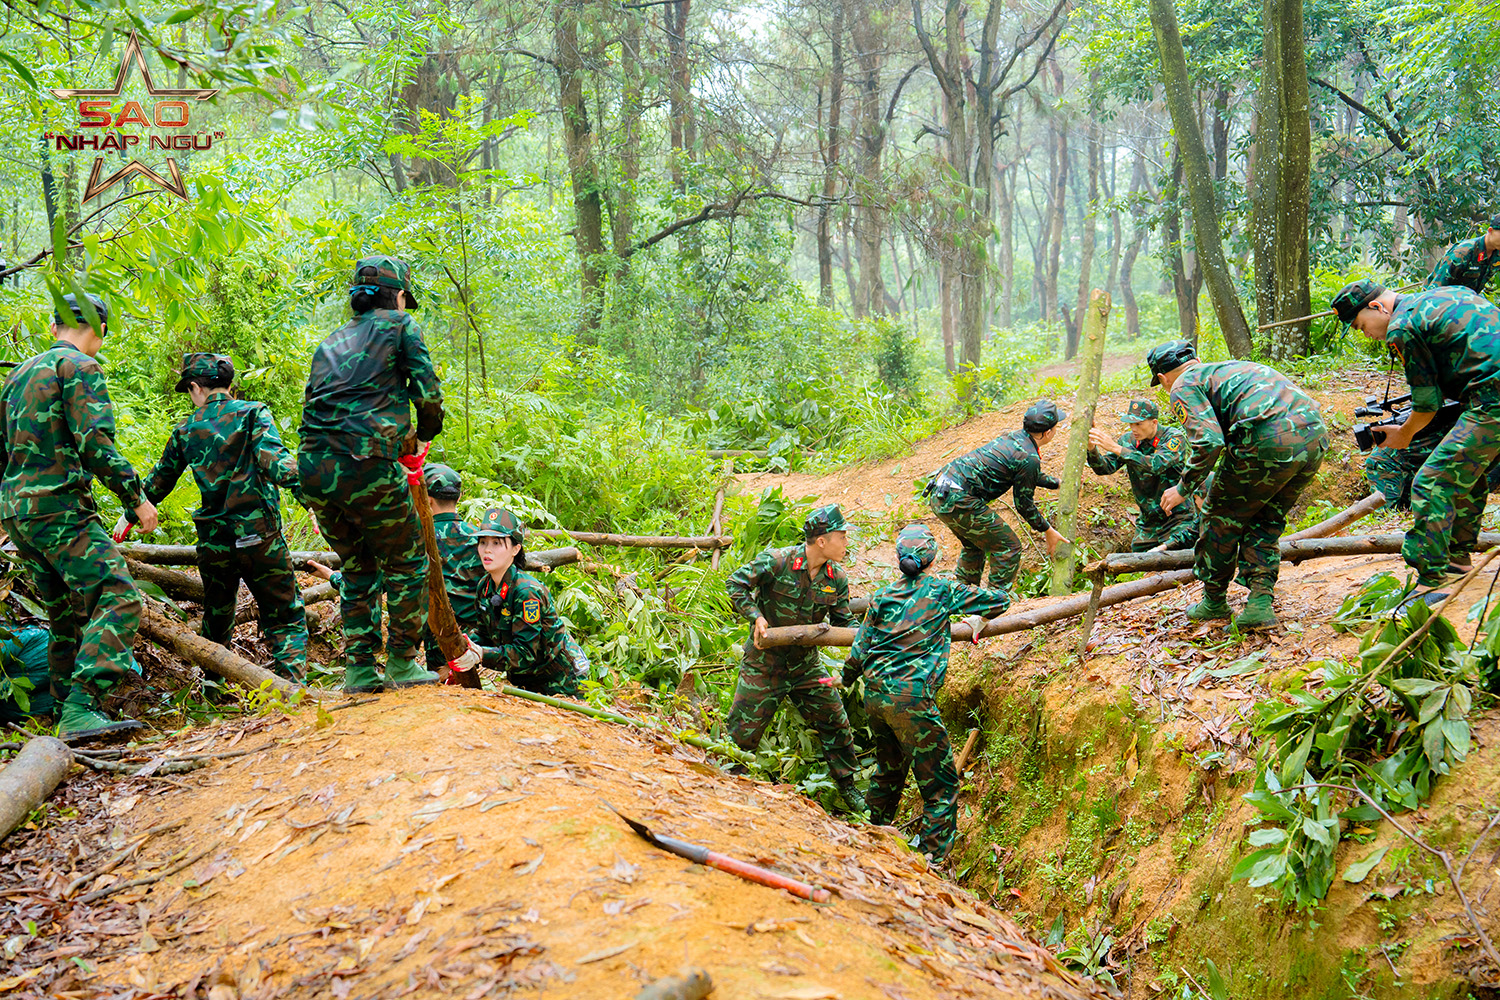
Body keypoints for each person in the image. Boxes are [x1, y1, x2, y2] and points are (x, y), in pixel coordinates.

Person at [0, 292, 157, 738]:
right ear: (101, 331)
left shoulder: (15, 378)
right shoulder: (80, 368)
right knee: (119, 596)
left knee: (64, 613)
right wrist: (136, 498)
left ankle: (63, 715)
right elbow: (95, 443)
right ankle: (81, 705)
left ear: (53, 328)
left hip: (18, 513)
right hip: (59, 508)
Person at [299, 256, 444, 693]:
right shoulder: (401, 326)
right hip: (364, 463)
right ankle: (402, 662)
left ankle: (359, 670)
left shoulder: (330, 339)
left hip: (313, 468)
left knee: (359, 564)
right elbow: (428, 392)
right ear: (397, 294)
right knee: (406, 560)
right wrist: (424, 437)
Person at [130, 353, 307, 678]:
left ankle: (214, 690)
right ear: (229, 384)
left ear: (196, 387)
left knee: (217, 619)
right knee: (284, 614)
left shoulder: (186, 429)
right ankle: (292, 691)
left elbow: (158, 481)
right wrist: (311, 498)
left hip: (215, 544)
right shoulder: (253, 414)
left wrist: (129, 515)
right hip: (260, 538)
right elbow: (275, 462)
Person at [841, 524, 1009, 860]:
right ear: (932, 558)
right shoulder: (941, 591)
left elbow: (857, 655)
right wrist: (976, 619)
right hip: (912, 699)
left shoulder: (883, 596)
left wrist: (843, 680)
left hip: (875, 696)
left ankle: (869, 838)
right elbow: (999, 600)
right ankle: (931, 859)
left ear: (899, 558)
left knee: (889, 770)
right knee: (941, 785)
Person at [1334, 279, 1500, 597]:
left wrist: (1404, 434)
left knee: (1432, 482)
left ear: (1377, 307)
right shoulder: (1444, 294)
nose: (1365, 333)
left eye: (1359, 325)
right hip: (1486, 396)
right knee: (1467, 474)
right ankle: (1456, 560)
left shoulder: (1402, 327)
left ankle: (1431, 581)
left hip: (1491, 399)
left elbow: (1426, 403)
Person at [1148, 340, 1328, 630]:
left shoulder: (1182, 384)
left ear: (1162, 378)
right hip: (1314, 437)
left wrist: (1183, 488)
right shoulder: (1232, 368)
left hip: (1267, 440)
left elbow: (1208, 441)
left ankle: (1214, 601)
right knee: (1266, 517)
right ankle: (1259, 604)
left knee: (1219, 517)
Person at [724, 504, 865, 813]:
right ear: (822, 541)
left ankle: (848, 787)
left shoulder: (836, 577)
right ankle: (728, 783)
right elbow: (735, 583)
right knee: (741, 732)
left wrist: (868, 635)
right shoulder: (778, 562)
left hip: (806, 666)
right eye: (842, 536)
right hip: (764, 664)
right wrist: (756, 616)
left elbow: (843, 623)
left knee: (836, 721)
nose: (846, 543)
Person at [925, 400, 1067, 592]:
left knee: (974, 546)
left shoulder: (1014, 439)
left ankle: (963, 601)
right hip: (959, 498)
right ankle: (992, 606)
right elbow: (1024, 504)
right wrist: (1047, 530)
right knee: (1008, 547)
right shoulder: (1029, 457)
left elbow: (1026, 474)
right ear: (1048, 432)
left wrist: (1057, 483)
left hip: (941, 491)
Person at [464, 508, 588, 696]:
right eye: (483, 542)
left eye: (497, 543)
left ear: (516, 548)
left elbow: (526, 654)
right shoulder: (485, 586)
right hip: (527, 683)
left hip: (561, 683)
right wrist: (464, 646)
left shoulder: (526, 592)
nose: (487, 550)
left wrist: (481, 654)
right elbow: (484, 633)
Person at [1086, 399, 1200, 551]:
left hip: (1177, 519)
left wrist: (1116, 448)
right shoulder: (1128, 441)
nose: (1134, 429)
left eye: (1138, 424)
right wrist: (1092, 448)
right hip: (1148, 523)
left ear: (1154, 422)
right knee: (1137, 565)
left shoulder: (1173, 437)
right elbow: (1104, 468)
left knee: (1180, 564)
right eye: (1131, 424)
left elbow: (1156, 464)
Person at [419, 463, 486, 673]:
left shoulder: (418, 540)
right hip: (477, 644)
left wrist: (333, 577)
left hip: (438, 645)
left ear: (426, 501)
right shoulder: (481, 539)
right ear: (457, 498)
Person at [1426, 215, 1500, 296]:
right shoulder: (1463, 252)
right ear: (1490, 231)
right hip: (1440, 300)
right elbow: (1434, 290)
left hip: (1465, 301)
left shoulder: (1497, 254)